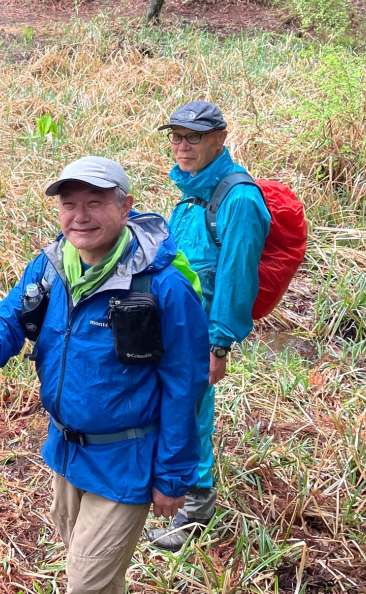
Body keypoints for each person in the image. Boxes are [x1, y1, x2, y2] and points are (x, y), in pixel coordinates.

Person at [0, 156, 209, 594]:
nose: (79, 217)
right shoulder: (53, 266)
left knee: (85, 585)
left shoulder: (161, 287)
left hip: (127, 461)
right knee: (92, 575)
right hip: (66, 452)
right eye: (69, 204)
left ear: (126, 208)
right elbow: (11, 316)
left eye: (94, 203)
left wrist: (174, 477)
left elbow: (185, 386)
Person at [146, 101, 271, 552]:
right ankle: (169, 489)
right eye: (175, 137)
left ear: (220, 138)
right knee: (173, 409)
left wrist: (218, 347)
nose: (181, 146)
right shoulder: (193, 188)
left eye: (192, 137)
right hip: (173, 326)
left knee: (191, 416)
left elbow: (238, 280)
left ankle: (194, 512)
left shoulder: (237, 199)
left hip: (200, 336)